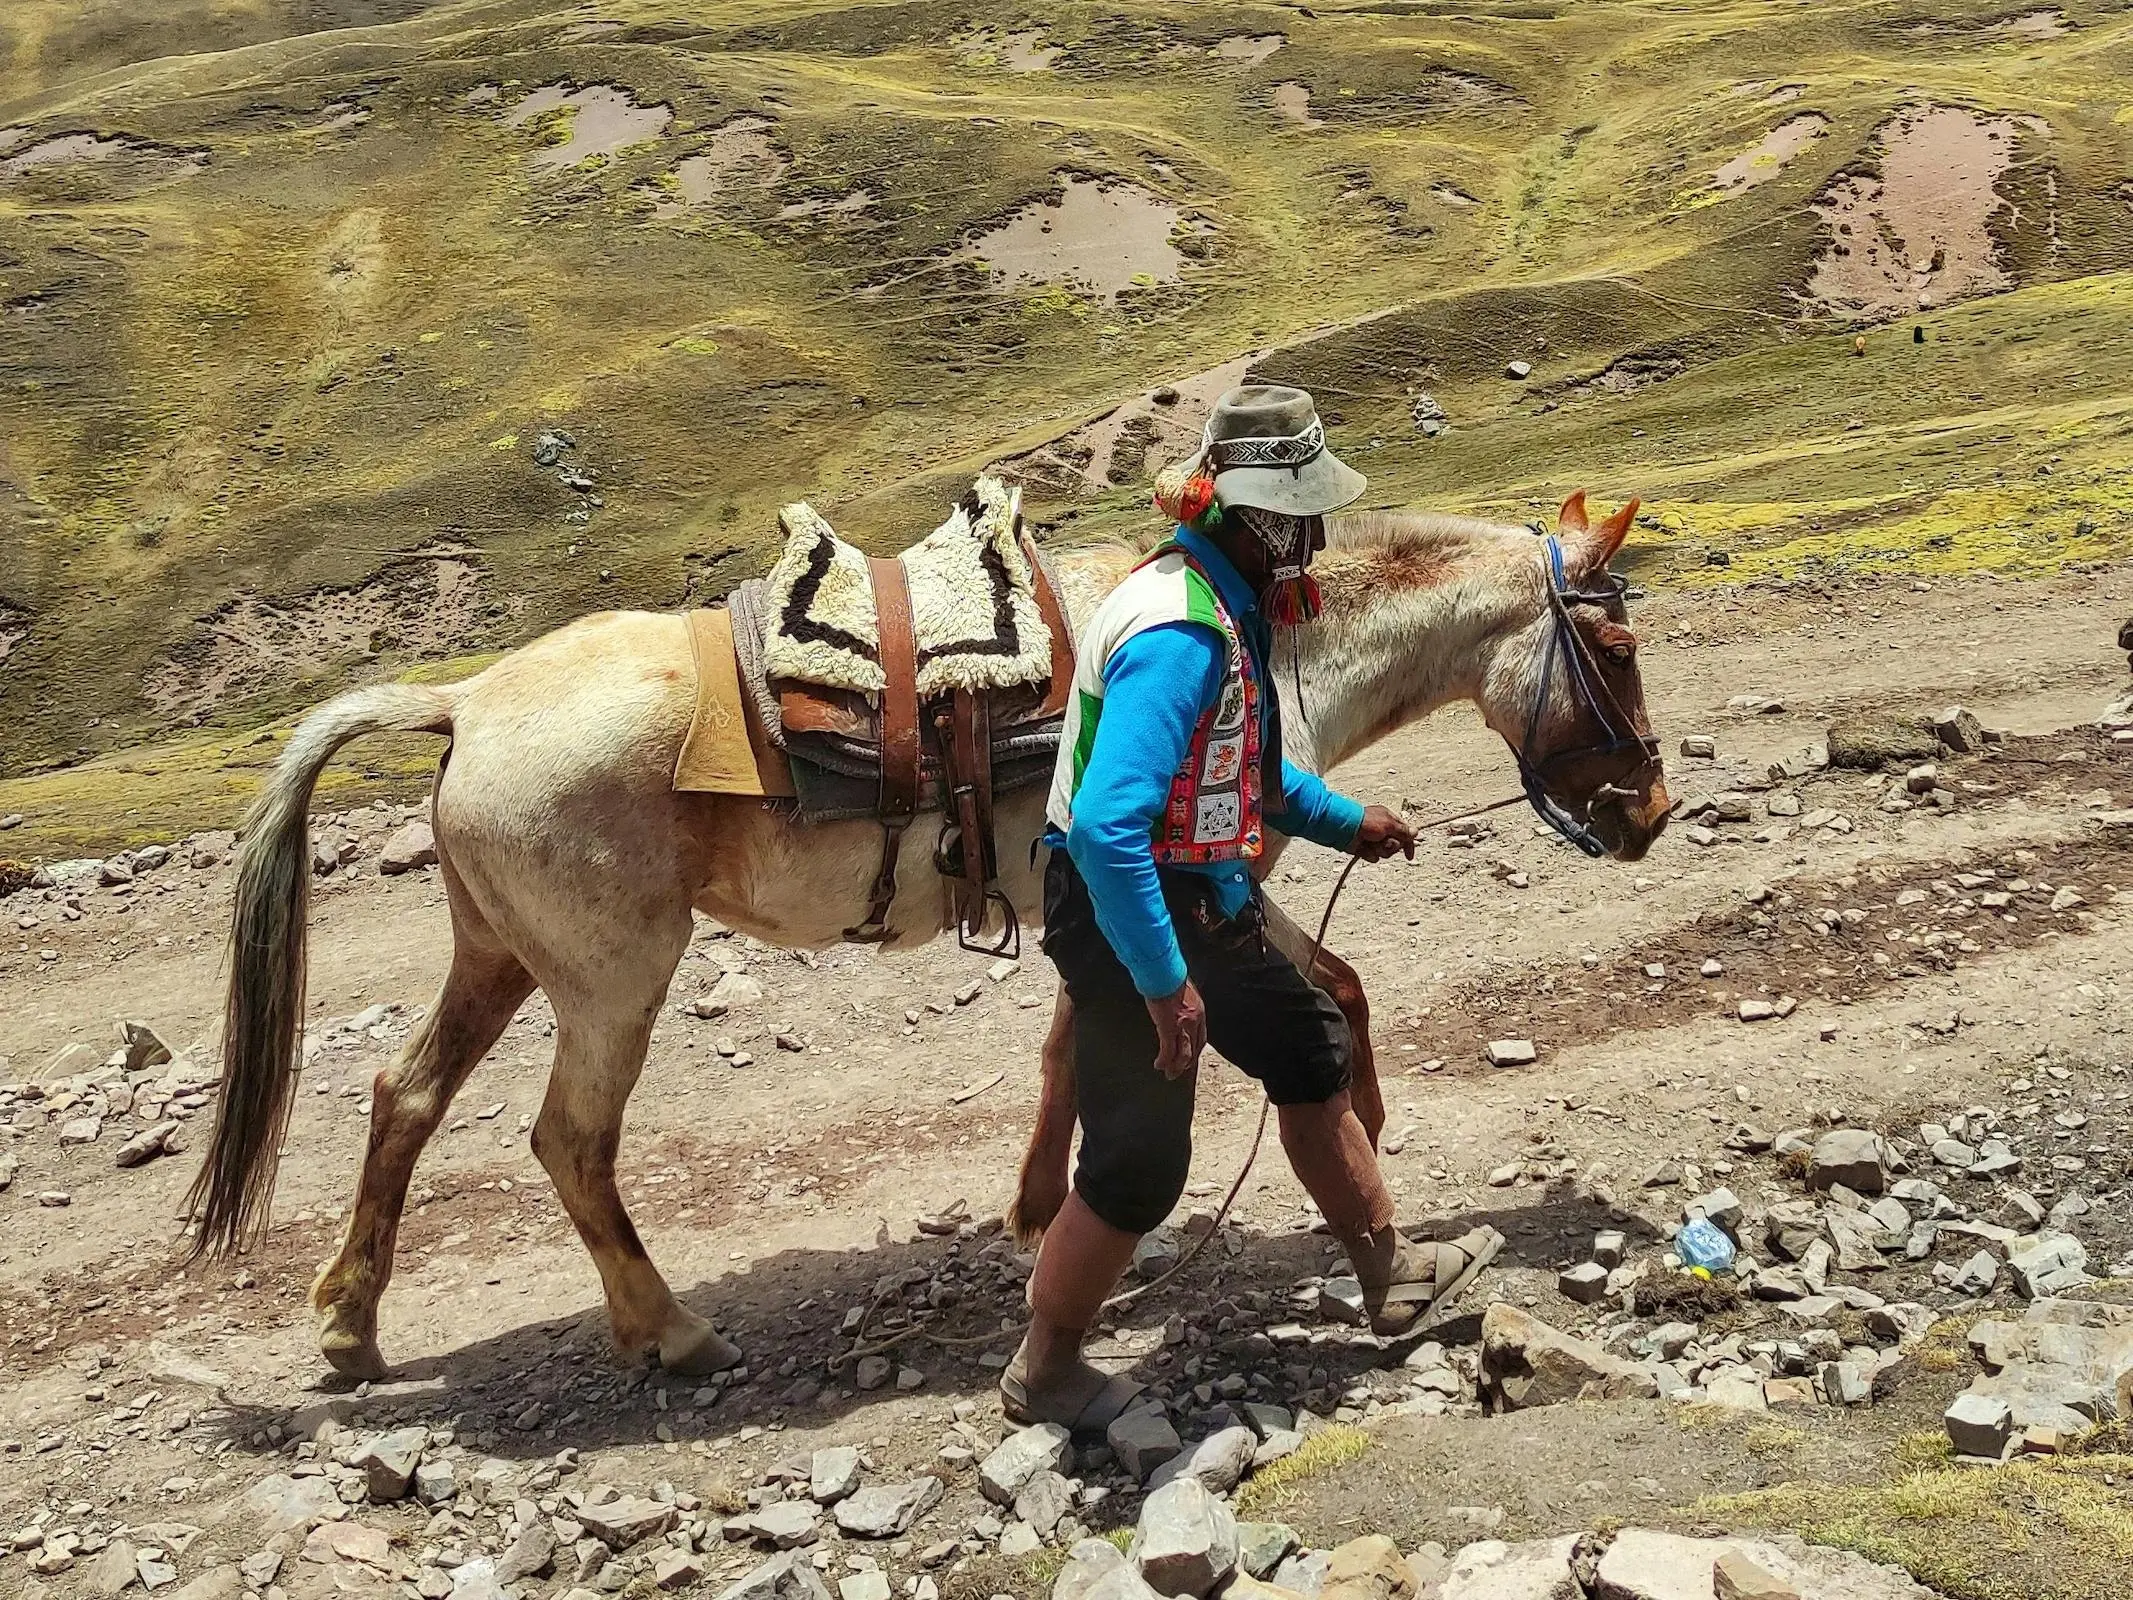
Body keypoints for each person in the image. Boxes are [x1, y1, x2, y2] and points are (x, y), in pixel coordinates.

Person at [1002, 385, 1503, 1430]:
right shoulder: (1179, 633)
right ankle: (1045, 1366)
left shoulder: (1228, 605)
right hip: (1125, 908)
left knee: (1311, 1044)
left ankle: (1390, 1271)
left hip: (1199, 887)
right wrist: (1163, 985)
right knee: (1141, 1160)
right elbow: (1105, 827)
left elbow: (1254, 769)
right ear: (1260, 516)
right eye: (1304, 514)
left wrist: (1345, 819)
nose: (1318, 535)